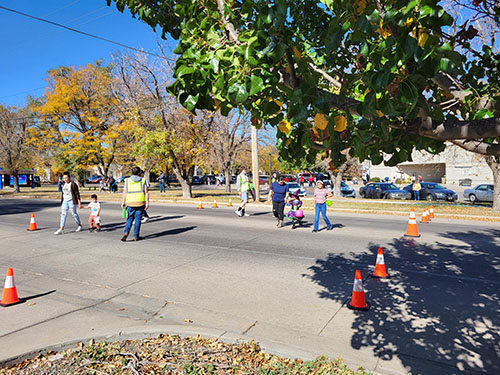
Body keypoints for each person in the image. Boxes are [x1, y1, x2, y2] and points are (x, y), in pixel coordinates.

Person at [121, 167, 149, 241]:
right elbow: (146, 192)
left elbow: (124, 192)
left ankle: (126, 232)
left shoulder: (127, 180)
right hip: (140, 202)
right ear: (139, 172)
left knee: (129, 219)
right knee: (137, 220)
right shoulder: (143, 180)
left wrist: (123, 202)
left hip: (130, 202)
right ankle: (136, 236)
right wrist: (147, 203)